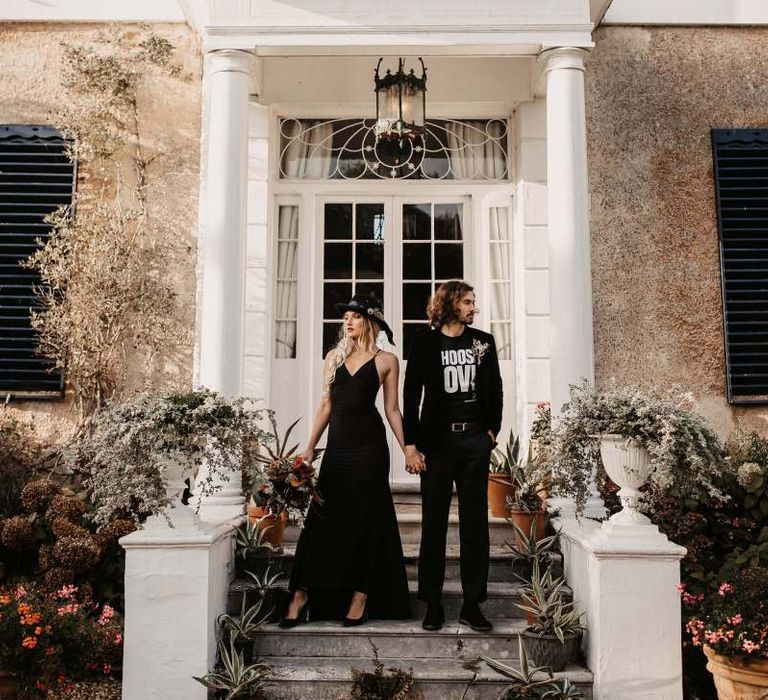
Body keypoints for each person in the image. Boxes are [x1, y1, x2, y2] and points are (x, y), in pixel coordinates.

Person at [281, 294, 414, 627]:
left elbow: (392, 409)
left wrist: (409, 448)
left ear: (369, 322)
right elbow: (325, 406)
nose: (348, 322)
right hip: (338, 448)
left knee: (368, 519)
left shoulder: (387, 361)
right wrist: (310, 447)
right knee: (324, 516)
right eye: (346, 317)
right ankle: (301, 592)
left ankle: (361, 593)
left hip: (370, 449)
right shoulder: (333, 358)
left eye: (355, 316)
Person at [403, 280, 503, 632]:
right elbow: (411, 394)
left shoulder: (483, 342)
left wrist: (492, 431)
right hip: (438, 446)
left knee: (476, 527)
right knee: (434, 524)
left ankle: (472, 605)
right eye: (467, 301)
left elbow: (495, 388)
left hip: (474, 444)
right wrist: (411, 445)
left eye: (473, 301)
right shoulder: (425, 343)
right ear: (449, 304)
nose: (473, 306)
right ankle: (432, 604)